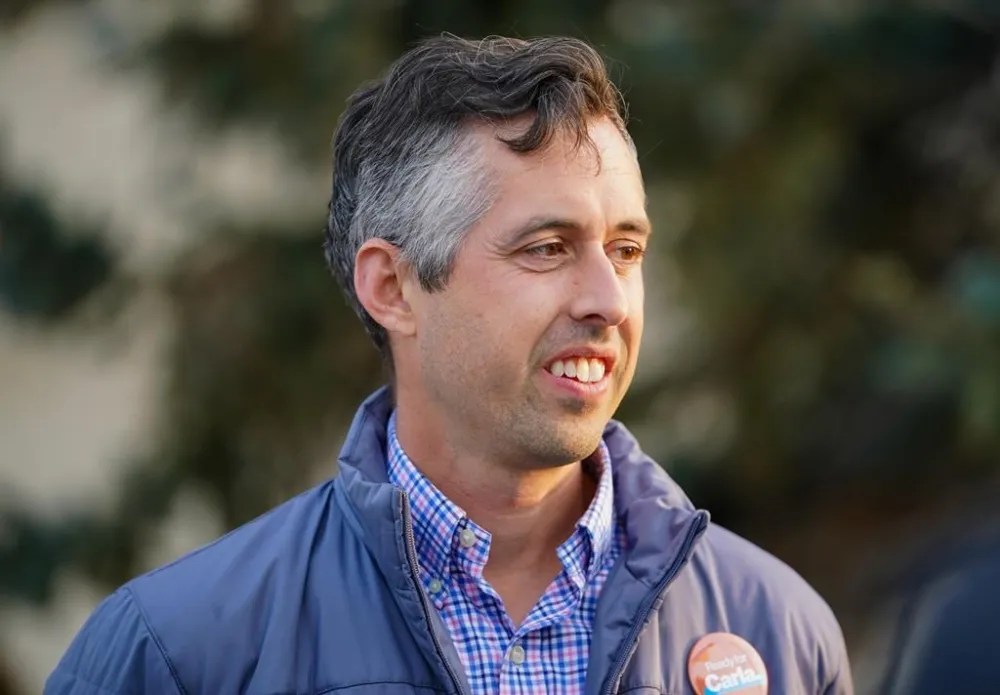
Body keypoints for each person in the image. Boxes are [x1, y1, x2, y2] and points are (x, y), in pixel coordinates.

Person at [47, 35, 853, 694]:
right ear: (393, 287)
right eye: (547, 248)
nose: (609, 299)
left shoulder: (777, 632)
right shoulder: (180, 653)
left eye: (627, 249)